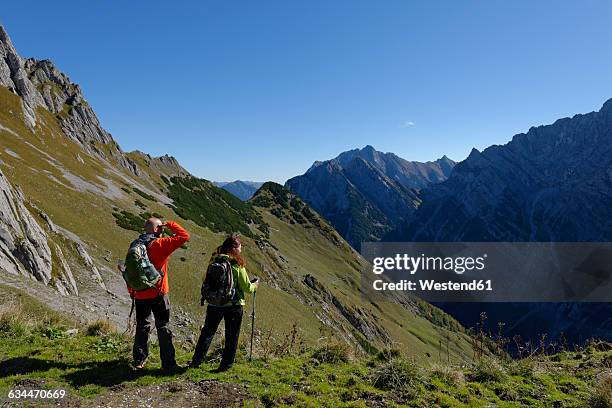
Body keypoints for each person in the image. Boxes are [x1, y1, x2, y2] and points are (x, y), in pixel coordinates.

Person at [190, 235, 258, 371]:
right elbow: (247, 288)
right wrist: (255, 285)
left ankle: (196, 361)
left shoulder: (215, 260)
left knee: (207, 332)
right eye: (240, 248)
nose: (241, 250)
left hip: (214, 303)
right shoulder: (236, 265)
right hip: (233, 305)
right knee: (232, 336)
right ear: (235, 249)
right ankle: (225, 365)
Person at [130, 218, 189, 371]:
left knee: (142, 326)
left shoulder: (135, 245)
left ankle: (139, 361)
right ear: (157, 229)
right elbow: (184, 236)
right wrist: (170, 224)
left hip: (140, 294)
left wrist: (133, 291)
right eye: (161, 227)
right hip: (158, 294)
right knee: (163, 326)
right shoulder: (159, 244)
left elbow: (131, 271)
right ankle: (168, 363)